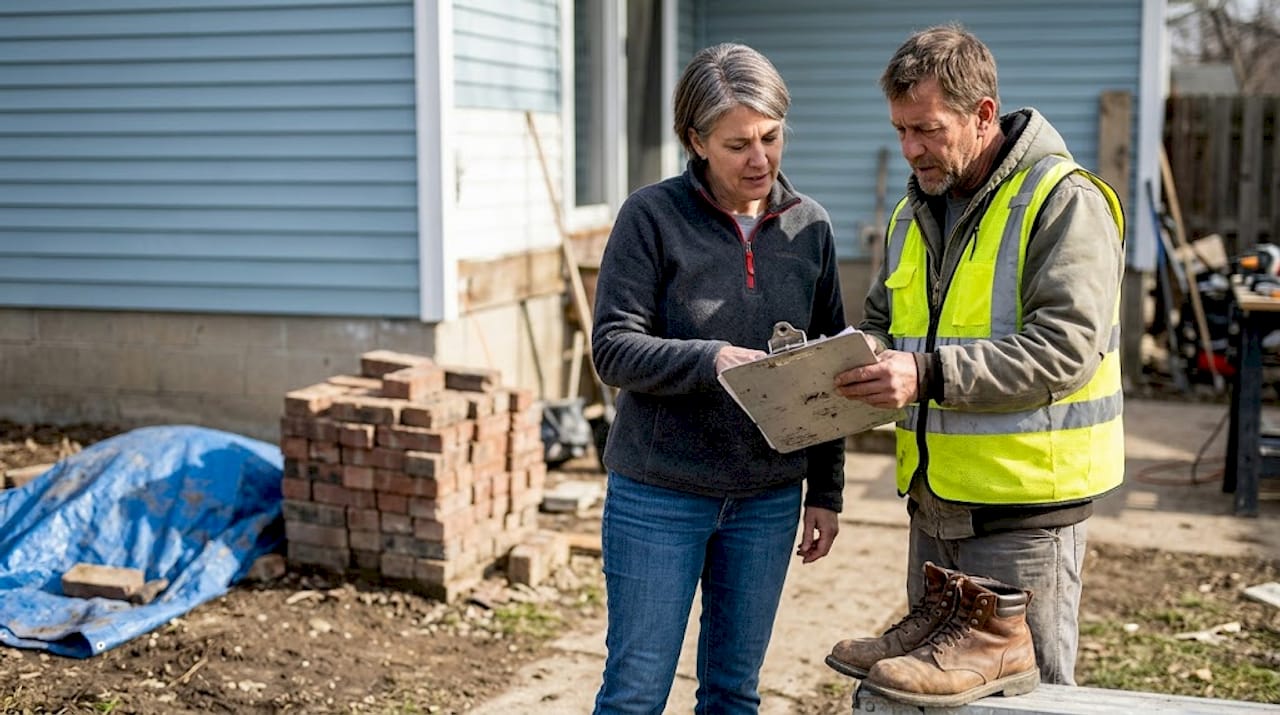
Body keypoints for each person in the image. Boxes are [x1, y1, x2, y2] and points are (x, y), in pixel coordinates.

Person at [827, 23, 1125, 692]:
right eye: (901, 130)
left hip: (1024, 521)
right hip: (934, 509)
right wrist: (857, 356)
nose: (910, 149)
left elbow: (1065, 351)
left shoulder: (1063, 202)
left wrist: (925, 374)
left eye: (927, 129)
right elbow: (883, 321)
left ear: (983, 114)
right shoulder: (914, 211)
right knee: (923, 697)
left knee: (1029, 701)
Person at [590, 42, 847, 714]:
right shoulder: (651, 218)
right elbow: (612, 349)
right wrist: (711, 360)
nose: (759, 158)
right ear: (695, 140)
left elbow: (831, 372)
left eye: (770, 136)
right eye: (737, 144)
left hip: (766, 499)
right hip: (659, 495)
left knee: (735, 693)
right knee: (635, 693)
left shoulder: (809, 229)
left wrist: (827, 489)